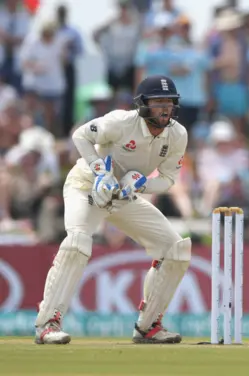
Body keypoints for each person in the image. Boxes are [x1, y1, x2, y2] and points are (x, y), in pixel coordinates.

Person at [34, 75, 190, 345]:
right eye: (158, 103)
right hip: (87, 187)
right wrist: (98, 170)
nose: (165, 109)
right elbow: (80, 135)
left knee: (175, 249)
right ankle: (48, 324)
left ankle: (148, 326)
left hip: (123, 195)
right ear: (142, 105)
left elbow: (167, 179)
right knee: (78, 242)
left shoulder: (177, 134)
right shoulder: (121, 121)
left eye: (169, 102)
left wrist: (142, 183)